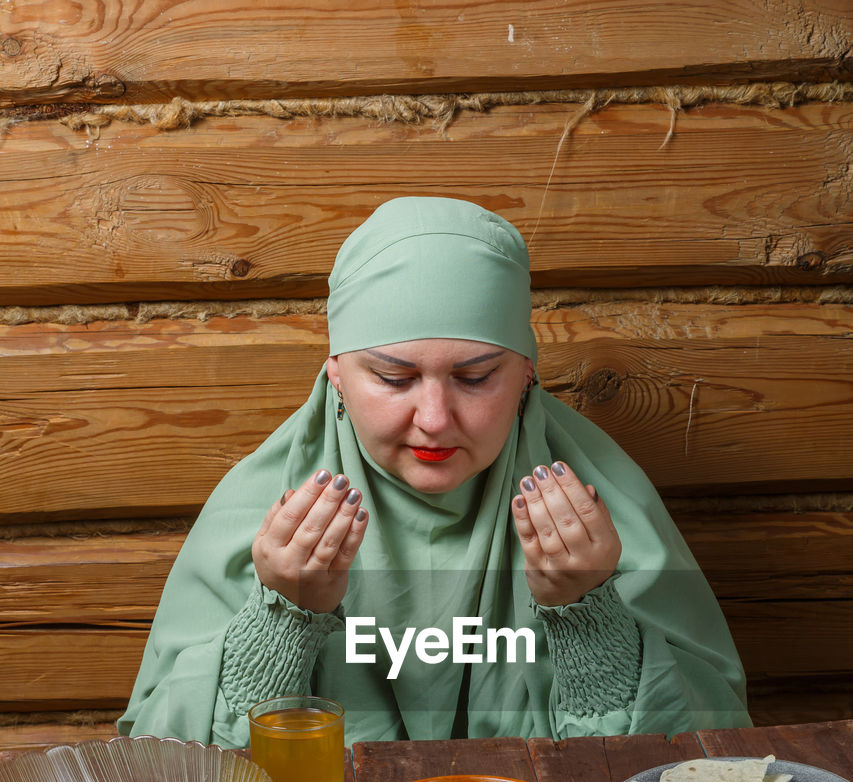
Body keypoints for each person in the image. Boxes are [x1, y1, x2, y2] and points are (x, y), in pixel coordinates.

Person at [119, 197, 750, 746]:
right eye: (394, 378)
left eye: (475, 378)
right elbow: (169, 777)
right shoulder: (259, 508)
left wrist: (589, 616)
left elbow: (703, 770)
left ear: (527, 370)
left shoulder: (603, 501)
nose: (434, 419)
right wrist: (282, 618)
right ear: (335, 371)